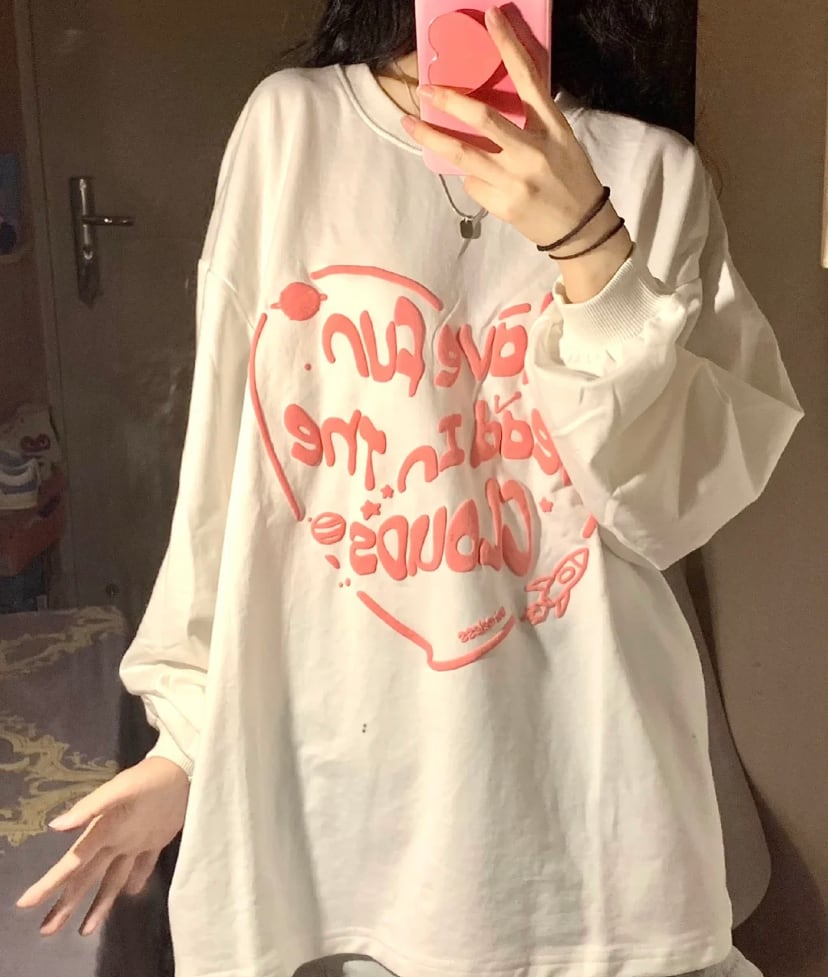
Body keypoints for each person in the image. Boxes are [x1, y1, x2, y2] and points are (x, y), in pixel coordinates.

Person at [17, 2, 804, 976]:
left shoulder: (652, 172)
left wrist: (592, 248)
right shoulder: (293, 130)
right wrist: (190, 736)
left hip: (586, 788)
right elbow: (234, 473)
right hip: (345, 790)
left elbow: (667, 509)